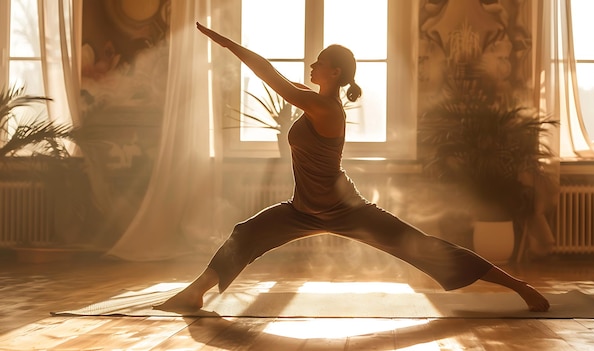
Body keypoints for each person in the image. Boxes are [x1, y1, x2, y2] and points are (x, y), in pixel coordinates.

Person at [155, 22, 550, 313]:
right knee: (246, 234)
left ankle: (520, 286)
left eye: (320, 62)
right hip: (302, 209)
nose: (312, 64)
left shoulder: (325, 107)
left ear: (336, 73)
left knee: (427, 249)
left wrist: (225, 43)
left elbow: (269, 75)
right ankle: (196, 292)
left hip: (346, 209)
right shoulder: (316, 101)